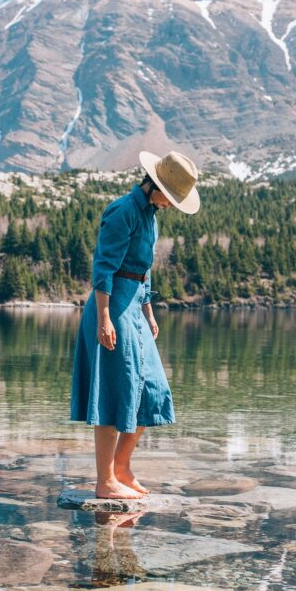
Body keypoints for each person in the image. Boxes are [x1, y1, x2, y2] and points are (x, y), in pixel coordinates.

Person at [70, 150, 200, 499]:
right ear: (155, 185)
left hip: (134, 309)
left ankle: (123, 467)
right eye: (171, 197)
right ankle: (105, 481)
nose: (172, 204)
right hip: (112, 308)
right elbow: (104, 268)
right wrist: (104, 318)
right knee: (114, 392)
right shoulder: (122, 211)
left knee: (153, 391)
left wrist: (149, 312)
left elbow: (143, 270)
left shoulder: (151, 216)